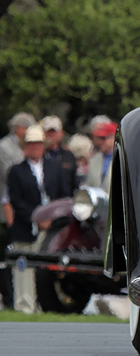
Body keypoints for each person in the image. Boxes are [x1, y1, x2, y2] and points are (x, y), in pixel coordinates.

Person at [6, 125, 75, 313]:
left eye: (38, 144)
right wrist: (36, 218)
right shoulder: (16, 171)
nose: (35, 147)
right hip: (26, 226)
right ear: (25, 147)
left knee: (46, 268)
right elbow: (16, 200)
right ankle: (24, 305)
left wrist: (51, 219)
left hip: (52, 228)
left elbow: (64, 197)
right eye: (31, 144)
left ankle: (45, 305)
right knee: (23, 267)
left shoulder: (55, 169)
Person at [0, 112, 35, 309]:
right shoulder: (4, 147)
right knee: (12, 253)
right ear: (19, 128)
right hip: (7, 206)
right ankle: (10, 298)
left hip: (20, 201)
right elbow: (10, 171)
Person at [39, 116, 77, 194]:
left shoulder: (69, 156)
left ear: (61, 133)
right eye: (48, 131)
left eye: (54, 131)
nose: (51, 134)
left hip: (64, 201)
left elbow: (74, 183)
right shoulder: (37, 155)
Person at [85, 121, 117, 192]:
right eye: (98, 138)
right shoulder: (93, 160)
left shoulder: (123, 159)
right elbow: (89, 184)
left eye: (103, 138)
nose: (100, 142)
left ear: (113, 138)